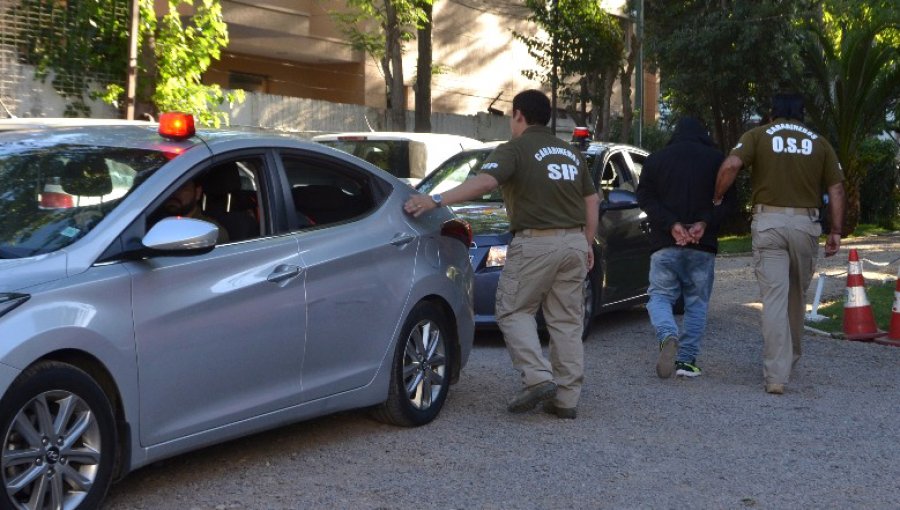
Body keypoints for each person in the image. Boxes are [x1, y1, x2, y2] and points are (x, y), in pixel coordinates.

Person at [404, 89, 599, 419]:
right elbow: (591, 201)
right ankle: (567, 399)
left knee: (511, 309)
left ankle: (537, 378)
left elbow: (483, 182)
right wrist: (588, 243)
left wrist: (435, 200)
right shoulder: (570, 153)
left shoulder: (515, 149)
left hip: (537, 242)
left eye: (512, 116)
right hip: (575, 243)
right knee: (566, 320)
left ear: (519, 115)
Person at [713, 93, 845, 395]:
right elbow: (836, 189)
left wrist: (718, 196)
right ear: (802, 115)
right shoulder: (819, 142)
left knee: (773, 298)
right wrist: (835, 230)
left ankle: (776, 375)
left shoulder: (758, 135)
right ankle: (792, 357)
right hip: (805, 225)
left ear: (772, 114)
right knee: (796, 296)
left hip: (768, 222)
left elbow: (732, 164)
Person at [636, 116, 728, 379]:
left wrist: (672, 225)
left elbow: (644, 197)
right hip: (703, 245)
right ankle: (686, 362)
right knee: (696, 303)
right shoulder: (716, 160)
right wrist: (703, 223)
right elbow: (729, 202)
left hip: (665, 243)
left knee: (659, 297)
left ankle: (667, 334)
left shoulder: (656, 159)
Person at [159, 178, 230, 244]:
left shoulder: (210, 232)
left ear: (198, 193)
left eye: (182, 187)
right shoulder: (151, 221)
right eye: (169, 187)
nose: (173, 192)